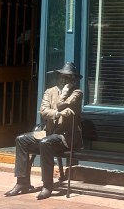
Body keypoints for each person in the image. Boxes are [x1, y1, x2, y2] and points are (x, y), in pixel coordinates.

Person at [5, 62, 83, 200]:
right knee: (21, 139)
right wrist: (57, 114)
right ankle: (22, 183)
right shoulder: (49, 91)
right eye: (63, 76)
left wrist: (65, 93)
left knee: (45, 143)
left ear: (73, 80)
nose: (65, 80)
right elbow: (43, 111)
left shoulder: (77, 93)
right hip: (49, 133)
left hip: (66, 137)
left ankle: (47, 185)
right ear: (58, 77)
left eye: (69, 77)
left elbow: (62, 104)